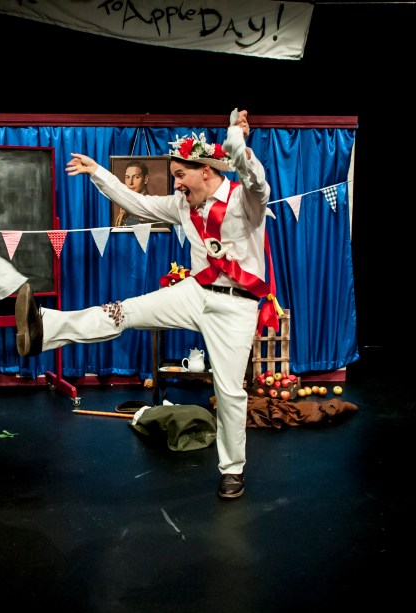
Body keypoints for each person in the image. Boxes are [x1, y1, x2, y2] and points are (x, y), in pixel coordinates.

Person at [16, 109, 277, 499]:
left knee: (229, 392)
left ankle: (232, 470)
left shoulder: (244, 201)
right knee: (125, 310)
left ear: (206, 171)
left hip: (236, 309)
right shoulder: (183, 206)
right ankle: (43, 328)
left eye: (181, 175)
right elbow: (137, 204)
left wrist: (239, 146)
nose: (176, 184)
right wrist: (98, 173)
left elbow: (257, 180)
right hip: (196, 293)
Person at [114, 160, 150, 226]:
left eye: (136, 177)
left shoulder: (147, 207)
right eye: (127, 177)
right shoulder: (125, 206)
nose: (130, 183)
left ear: (145, 179)